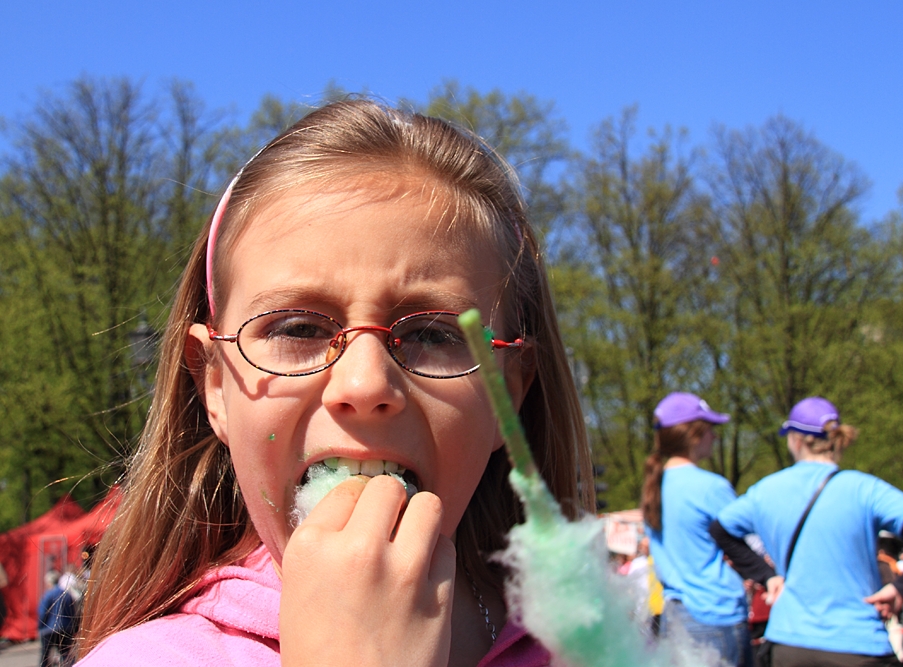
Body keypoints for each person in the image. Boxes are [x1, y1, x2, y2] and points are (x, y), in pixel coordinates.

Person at [74, 99, 593, 667]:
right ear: (215, 386)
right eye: (297, 327)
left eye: (433, 333)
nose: (365, 382)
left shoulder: (597, 645)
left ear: (508, 396)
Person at [710, 397, 903, 667]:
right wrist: (902, 588)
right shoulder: (864, 488)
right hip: (859, 643)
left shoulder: (766, 491)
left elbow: (720, 530)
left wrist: (766, 577)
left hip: (789, 643)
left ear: (796, 440)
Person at [641, 392, 751, 666]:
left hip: (675, 617)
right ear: (693, 435)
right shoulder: (711, 487)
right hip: (716, 614)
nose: (715, 437)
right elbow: (750, 543)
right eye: (710, 430)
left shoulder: (653, 487)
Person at [38, 570, 77, 667]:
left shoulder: (48, 595)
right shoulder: (67, 594)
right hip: (65, 628)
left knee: (45, 657)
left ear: (49, 582)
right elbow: (73, 612)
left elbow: (43, 612)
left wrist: (40, 627)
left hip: (49, 629)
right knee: (66, 655)